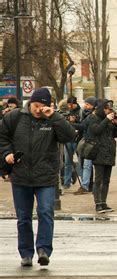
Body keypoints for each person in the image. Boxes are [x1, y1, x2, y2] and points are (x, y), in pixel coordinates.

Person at [0, 88, 76, 267]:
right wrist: (6, 155)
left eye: (42, 106)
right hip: (20, 175)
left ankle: (43, 250)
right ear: (30, 103)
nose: (38, 110)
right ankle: (26, 253)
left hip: (46, 176)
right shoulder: (15, 117)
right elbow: (2, 138)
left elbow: (70, 136)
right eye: (35, 105)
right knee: (23, 217)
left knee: (45, 212)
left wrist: (54, 116)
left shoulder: (52, 119)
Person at [88, 99, 117, 213]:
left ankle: (104, 202)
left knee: (106, 180)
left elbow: (114, 135)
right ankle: (98, 203)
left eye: (110, 110)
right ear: (102, 109)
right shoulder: (93, 118)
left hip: (109, 152)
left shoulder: (109, 120)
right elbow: (96, 130)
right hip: (98, 152)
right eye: (107, 109)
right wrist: (107, 120)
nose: (108, 111)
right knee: (98, 180)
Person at [73, 96, 97, 194]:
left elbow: (83, 126)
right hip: (83, 141)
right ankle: (87, 184)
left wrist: (71, 124)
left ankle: (86, 185)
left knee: (87, 164)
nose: (85, 106)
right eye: (85, 104)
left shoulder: (91, 116)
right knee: (85, 164)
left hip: (89, 143)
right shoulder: (84, 114)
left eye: (88, 104)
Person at [62, 96, 82, 190]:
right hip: (68, 139)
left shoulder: (80, 111)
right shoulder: (67, 111)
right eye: (69, 104)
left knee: (81, 161)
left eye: (71, 104)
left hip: (77, 139)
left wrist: (75, 120)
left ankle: (83, 183)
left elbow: (83, 124)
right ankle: (67, 182)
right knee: (67, 162)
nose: (70, 106)